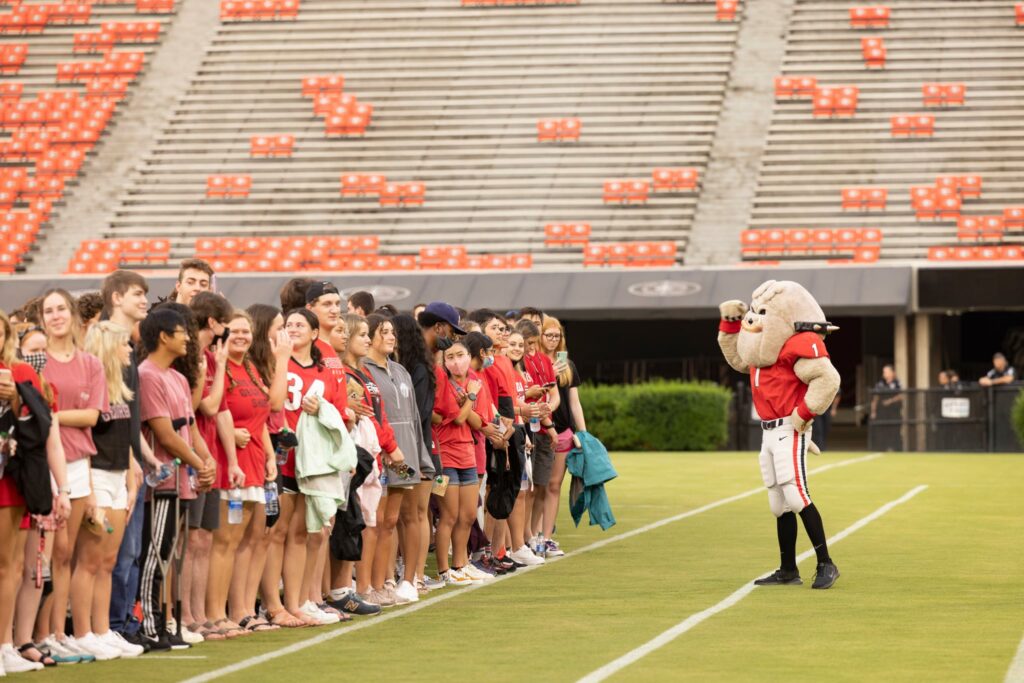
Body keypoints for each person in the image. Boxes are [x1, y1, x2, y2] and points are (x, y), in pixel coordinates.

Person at [38, 289, 113, 660]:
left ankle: (58, 631)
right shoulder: (35, 360)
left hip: (78, 464)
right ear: (42, 319)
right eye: (48, 311)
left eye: (61, 309)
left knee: (67, 552)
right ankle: (36, 635)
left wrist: (53, 414)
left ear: (72, 314)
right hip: (44, 466)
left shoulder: (91, 364)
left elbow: (93, 417)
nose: (55, 316)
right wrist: (63, 415)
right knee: (44, 555)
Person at [137, 308, 216, 650]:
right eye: (182, 331)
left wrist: (207, 461)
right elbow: (165, 435)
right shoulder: (147, 375)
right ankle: (151, 625)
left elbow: (191, 427)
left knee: (170, 553)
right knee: (155, 552)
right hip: (161, 481)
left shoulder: (178, 378)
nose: (188, 337)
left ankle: (169, 624)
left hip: (182, 479)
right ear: (164, 336)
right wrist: (200, 463)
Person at [261, 309, 343, 627]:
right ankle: (272, 604)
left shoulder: (323, 370)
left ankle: (296, 603)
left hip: (310, 460)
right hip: (282, 455)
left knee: (300, 532)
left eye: (299, 325)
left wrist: (322, 409)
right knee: (276, 531)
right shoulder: (277, 361)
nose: (292, 329)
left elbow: (336, 412)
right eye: (288, 324)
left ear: (313, 333)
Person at [2, 309, 70, 674]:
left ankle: (13, 642)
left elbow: (46, 436)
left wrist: (63, 488)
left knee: (21, 567)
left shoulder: (24, 376)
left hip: (18, 482)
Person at [207, 311, 277, 636]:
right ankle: (216, 613)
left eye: (246, 331)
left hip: (254, 463)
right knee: (225, 541)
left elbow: (262, 416)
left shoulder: (251, 368)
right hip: (228, 462)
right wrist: (232, 433)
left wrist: (271, 455)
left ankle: (243, 610)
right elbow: (213, 411)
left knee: (245, 540)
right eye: (234, 330)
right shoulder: (221, 368)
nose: (241, 336)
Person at [80, 321, 145, 657]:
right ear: (108, 346)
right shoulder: (94, 385)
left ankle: (102, 629)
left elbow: (126, 439)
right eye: (123, 345)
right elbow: (85, 439)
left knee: (108, 561)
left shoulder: (120, 387)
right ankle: (83, 631)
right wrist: (89, 490)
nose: (129, 352)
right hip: (97, 475)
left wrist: (131, 479)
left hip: (119, 476)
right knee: (89, 560)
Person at [341, 314, 413, 604]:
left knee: (376, 523)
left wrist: (391, 446)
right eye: (362, 335)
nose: (368, 340)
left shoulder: (363, 373)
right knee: (361, 524)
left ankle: (373, 584)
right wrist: (390, 446)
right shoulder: (346, 373)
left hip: (375, 457)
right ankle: (356, 588)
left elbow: (377, 416)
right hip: (356, 457)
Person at [100, 270, 153, 648]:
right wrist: (132, 457)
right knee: (115, 553)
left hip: (129, 460)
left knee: (131, 551)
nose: (145, 300)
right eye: (137, 293)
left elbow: (132, 414)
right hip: (110, 462)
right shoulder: (104, 342)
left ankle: (122, 624)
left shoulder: (129, 345)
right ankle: (112, 624)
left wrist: (142, 455)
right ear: (116, 297)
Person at [360, 314, 428, 602]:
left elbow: (414, 418)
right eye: (383, 332)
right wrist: (385, 450)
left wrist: (421, 458)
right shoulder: (363, 370)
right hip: (382, 454)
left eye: (391, 332)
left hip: (406, 454)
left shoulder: (400, 370)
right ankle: (376, 583)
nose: (390, 336)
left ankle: (400, 581)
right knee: (378, 521)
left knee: (400, 518)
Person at [181, 292, 234, 643]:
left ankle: (200, 614)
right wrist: (221, 364)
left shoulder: (210, 357)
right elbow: (204, 406)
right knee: (190, 539)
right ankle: (185, 614)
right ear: (213, 322)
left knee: (203, 539)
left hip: (209, 453)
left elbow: (218, 408)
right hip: (193, 454)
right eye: (224, 322)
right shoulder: (195, 357)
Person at [391, 313, 445, 591]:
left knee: (418, 514)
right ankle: (410, 573)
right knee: (405, 515)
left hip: (421, 449)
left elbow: (421, 413)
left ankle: (417, 575)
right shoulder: (409, 368)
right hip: (415, 447)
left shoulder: (418, 371)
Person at [433, 337, 491, 587]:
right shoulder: (442, 381)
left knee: (468, 514)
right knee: (448, 515)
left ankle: (461, 564)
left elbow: (478, 422)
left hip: (468, 454)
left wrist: (466, 406)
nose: (456, 362)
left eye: (460, 355)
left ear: (470, 356)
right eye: (450, 357)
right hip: (443, 455)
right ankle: (444, 570)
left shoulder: (477, 383)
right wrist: (469, 400)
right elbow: (455, 419)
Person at [539, 316, 585, 557]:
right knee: (538, 486)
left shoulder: (567, 365)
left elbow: (574, 403)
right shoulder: (533, 363)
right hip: (541, 430)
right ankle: (533, 537)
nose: (553, 340)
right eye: (549, 335)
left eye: (557, 336)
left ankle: (546, 537)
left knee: (554, 485)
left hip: (564, 431)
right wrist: (547, 374)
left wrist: (584, 434)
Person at [504, 329, 544, 565]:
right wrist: (522, 412)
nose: (518, 348)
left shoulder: (517, 374)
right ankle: (506, 547)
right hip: (507, 436)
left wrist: (533, 414)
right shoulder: (503, 370)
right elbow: (503, 405)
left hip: (520, 435)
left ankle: (516, 545)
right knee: (508, 494)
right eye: (513, 344)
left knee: (520, 492)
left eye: (521, 344)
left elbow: (515, 404)